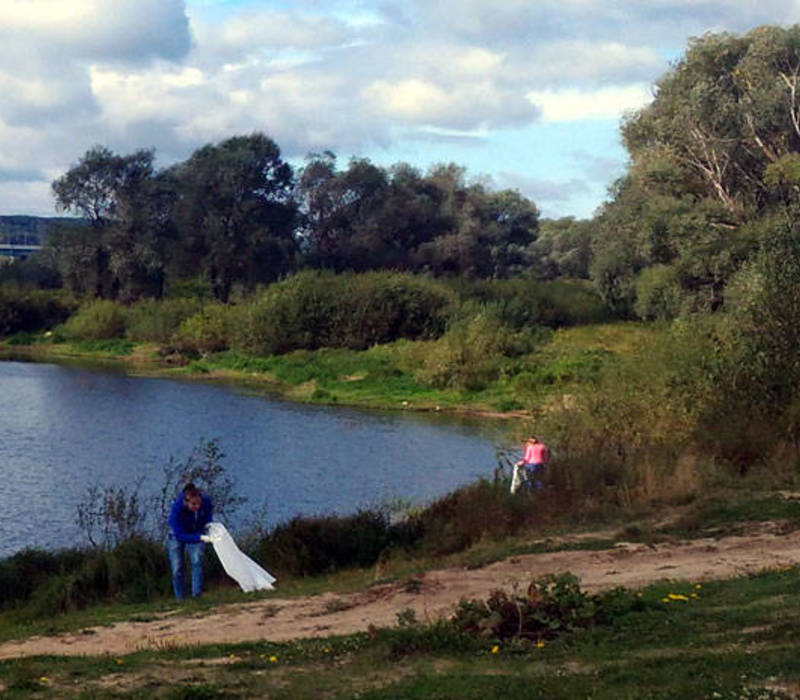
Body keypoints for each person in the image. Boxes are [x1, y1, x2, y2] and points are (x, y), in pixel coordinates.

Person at [167, 483, 214, 600]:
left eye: (199, 503)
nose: (197, 506)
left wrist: (209, 529)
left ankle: (196, 595)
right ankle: (180, 598)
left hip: (197, 531)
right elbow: (179, 535)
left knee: (197, 561)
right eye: (193, 504)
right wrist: (199, 538)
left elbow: (208, 518)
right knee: (177, 568)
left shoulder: (206, 502)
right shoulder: (176, 510)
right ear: (186, 501)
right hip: (178, 535)